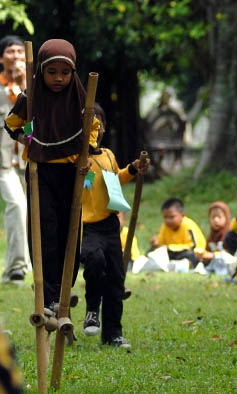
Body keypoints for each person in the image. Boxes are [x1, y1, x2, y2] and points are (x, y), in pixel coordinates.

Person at [4, 39, 99, 314]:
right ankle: (46, 296)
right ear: (40, 71)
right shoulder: (30, 97)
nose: (59, 78)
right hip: (40, 170)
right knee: (44, 231)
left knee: (68, 232)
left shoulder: (82, 98)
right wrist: (29, 139)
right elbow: (12, 125)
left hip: (70, 172)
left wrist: (86, 154)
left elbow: (93, 128)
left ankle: (63, 293)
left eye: (65, 73)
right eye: (52, 72)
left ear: (73, 73)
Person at [80, 103, 149, 347]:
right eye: (88, 124)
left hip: (110, 226)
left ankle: (112, 333)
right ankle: (91, 310)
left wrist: (131, 169)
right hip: (86, 228)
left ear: (104, 128)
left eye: (97, 123)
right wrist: (81, 172)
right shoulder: (79, 159)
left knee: (116, 278)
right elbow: (82, 187)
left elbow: (113, 179)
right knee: (95, 261)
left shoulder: (108, 155)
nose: (93, 128)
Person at [0, 35, 29, 284]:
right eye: (11, 51)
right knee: (17, 206)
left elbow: (34, 128)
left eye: (20, 52)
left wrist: (24, 87)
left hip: (29, 160)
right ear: (2, 58)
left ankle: (23, 265)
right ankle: (16, 269)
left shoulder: (34, 90)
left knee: (31, 211)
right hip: (3, 164)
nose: (16, 56)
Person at [150, 198, 207, 268]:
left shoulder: (188, 225)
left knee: (191, 255)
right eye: (165, 217)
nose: (168, 220)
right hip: (171, 252)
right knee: (151, 251)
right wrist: (156, 243)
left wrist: (171, 247)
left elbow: (193, 246)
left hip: (189, 252)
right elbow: (162, 243)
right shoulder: (165, 226)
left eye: (172, 217)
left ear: (182, 215)